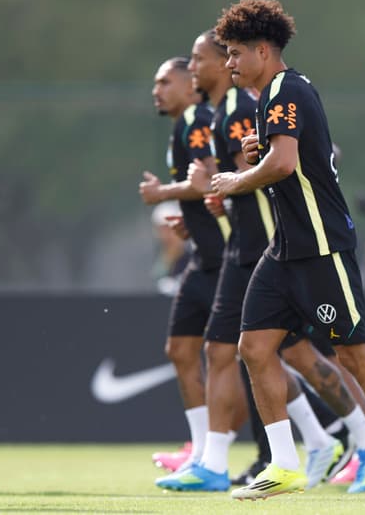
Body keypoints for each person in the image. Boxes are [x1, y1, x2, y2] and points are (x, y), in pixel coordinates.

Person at [210, 0, 365, 501]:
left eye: (235, 53)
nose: (229, 63)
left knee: (353, 355)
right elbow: (288, 156)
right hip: (285, 249)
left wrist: (236, 179)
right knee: (253, 348)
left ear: (263, 50)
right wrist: (260, 154)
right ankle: (285, 463)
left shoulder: (284, 89)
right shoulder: (275, 94)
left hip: (321, 248)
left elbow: (286, 164)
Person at [140, 56, 227, 475]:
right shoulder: (186, 122)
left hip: (229, 259)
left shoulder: (198, 119)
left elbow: (206, 181)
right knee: (181, 350)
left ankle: (343, 438)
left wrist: (162, 194)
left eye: (164, 81)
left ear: (191, 86)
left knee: (270, 357)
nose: (157, 89)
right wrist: (192, 220)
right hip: (205, 258)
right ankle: (201, 455)